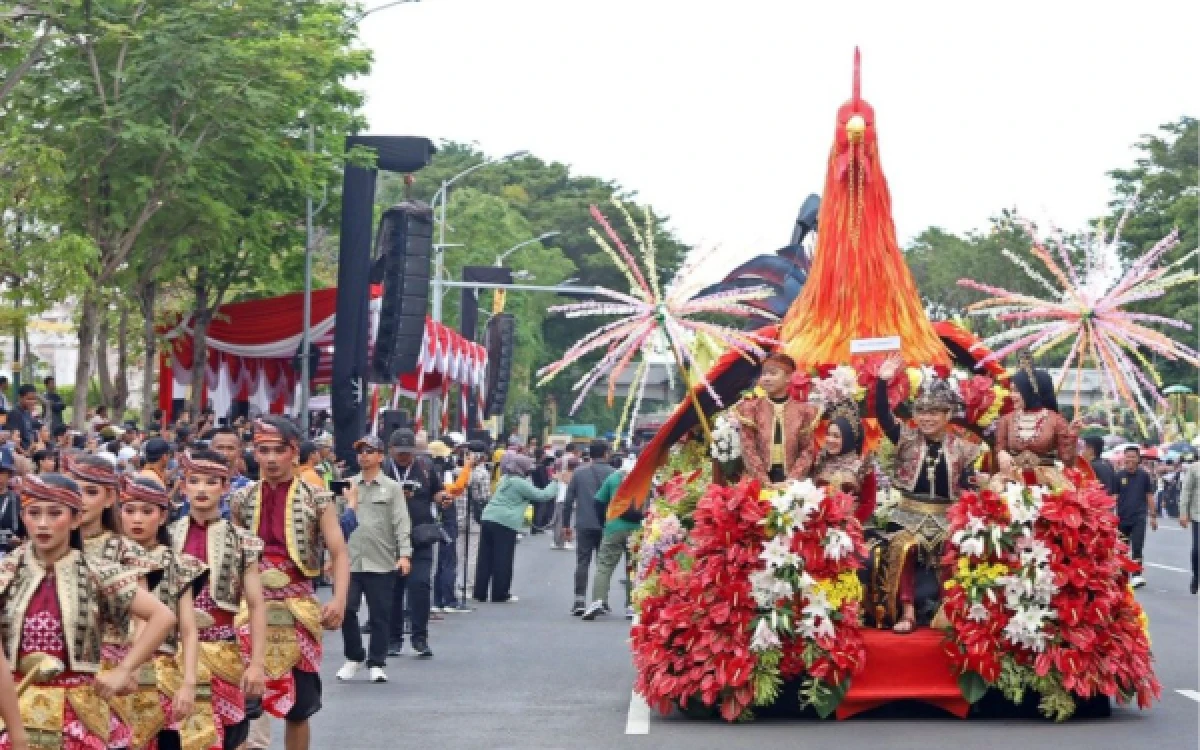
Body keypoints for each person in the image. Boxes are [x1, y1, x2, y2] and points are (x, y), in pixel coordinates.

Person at [0, 473, 176, 750]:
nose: (43, 523)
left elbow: (162, 616)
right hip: (14, 703)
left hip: (79, 710)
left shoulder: (96, 572)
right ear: (23, 517)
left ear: (75, 519)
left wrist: (126, 669)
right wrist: (16, 732)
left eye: (55, 513)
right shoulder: (6, 572)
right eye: (34, 513)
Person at [229, 417, 349, 750]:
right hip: (249, 609)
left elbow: (339, 552)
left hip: (299, 610)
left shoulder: (318, 498)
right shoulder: (241, 499)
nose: (270, 459)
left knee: (299, 708)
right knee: (245, 705)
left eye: (278, 450)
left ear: (293, 453)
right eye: (262, 450)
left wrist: (339, 600)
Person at [874, 352, 983, 633]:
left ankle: (949, 609)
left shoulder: (964, 448)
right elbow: (884, 417)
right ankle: (907, 611)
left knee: (956, 546)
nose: (926, 418)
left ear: (948, 415)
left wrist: (981, 484)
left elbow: (968, 485)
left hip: (947, 515)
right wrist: (882, 384)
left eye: (934, 412)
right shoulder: (906, 439)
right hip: (909, 512)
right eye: (921, 412)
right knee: (903, 546)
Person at [169, 449, 266, 750]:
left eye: (211, 482)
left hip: (223, 652)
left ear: (225, 487)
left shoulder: (242, 540)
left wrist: (257, 664)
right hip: (172, 655)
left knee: (230, 738)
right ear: (182, 487)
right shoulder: (167, 537)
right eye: (193, 481)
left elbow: (256, 604)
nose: (200, 489)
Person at [115, 475, 208, 750]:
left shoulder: (179, 565)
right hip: (113, 675)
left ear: (163, 515)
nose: (137, 519)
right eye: (129, 511)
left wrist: (189, 682)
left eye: (147, 511)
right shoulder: (101, 562)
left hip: (162, 678)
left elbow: (188, 630)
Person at [337, 435, 411, 684]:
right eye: (360, 451)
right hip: (350, 559)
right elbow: (333, 523)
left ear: (381, 456)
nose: (364, 456)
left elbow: (401, 522)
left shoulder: (392, 488)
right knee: (346, 609)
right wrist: (329, 557)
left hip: (381, 559)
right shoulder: (348, 485)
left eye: (369, 451)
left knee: (380, 614)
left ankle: (377, 662)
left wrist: (404, 554)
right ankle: (354, 655)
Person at [381, 428, 442, 659]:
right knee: (393, 590)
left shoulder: (426, 469)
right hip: (390, 539)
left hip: (420, 537)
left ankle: (420, 638)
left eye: (409, 452)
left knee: (420, 586)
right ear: (391, 450)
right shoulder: (383, 470)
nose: (405, 457)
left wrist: (442, 498)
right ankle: (393, 639)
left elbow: (436, 492)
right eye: (400, 452)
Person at [474, 452, 558, 603]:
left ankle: (479, 592)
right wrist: (555, 483)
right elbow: (542, 495)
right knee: (503, 558)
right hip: (505, 521)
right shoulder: (520, 483)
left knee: (485, 558)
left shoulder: (504, 479)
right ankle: (500, 593)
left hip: (488, 517)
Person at [992, 353, 1082, 489]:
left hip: (1047, 483)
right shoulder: (1007, 420)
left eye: (1017, 391)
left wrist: (1072, 435)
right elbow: (999, 447)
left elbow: (1067, 461)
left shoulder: (1056, 420)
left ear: (1031, 391)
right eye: (1011, 391)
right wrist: (1001, 453)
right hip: (1012, 483)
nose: (1012, 396)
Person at [733, 352, 819, 486]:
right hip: (758, 481)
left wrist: (791, 481)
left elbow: (806, 450)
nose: (766, 378)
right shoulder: (750, 409)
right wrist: (765, 482)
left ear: (788, 377)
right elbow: (748, 449)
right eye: (764, 374)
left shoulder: (803, 411)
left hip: (792, 481)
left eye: (772, 373)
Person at [580, 463, 640, 621]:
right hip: (638, 530)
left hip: (613, 527)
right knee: (634, 567)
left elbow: (598, 501)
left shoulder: (613, 478)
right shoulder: (645, 478)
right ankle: (632, 606)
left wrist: (604, 521)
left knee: (604, 566)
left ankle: (598, 601)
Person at [563, 441, 615, 615]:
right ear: (606, 454)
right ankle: (601, 600)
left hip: (584, 523)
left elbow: (568, 500)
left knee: (582, 562)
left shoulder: (578, 473)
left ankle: (579, 599)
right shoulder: (614, 474)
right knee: (603, 565)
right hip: (606, 524)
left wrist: (565, 525)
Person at [812, 399, 876, 521]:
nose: (830, 440)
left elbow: (868, 504)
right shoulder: (820, 460)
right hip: (819, 524)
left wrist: (849, 523)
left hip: (848, 528)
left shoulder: (862, 466)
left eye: (836, 436)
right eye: (829, 434)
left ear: (848, 439)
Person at [1115, 445, 1156, 589]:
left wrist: (1153, 516)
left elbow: (1149, 495)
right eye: (1128, 456)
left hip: (1139, 517)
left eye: (1133, 457)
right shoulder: (1119, 476)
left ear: (1138, 459)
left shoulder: (1144, 476)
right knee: (1122, 548)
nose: (1130, 459)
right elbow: (1115, 497)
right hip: (1122, 518)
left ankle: (1137, 575)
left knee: (1137, 546)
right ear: (1124, 458)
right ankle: (1122, 575)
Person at [1179, 454, 1200, 594]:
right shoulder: (1194, 468)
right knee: (1198, 549)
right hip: (1198, 514)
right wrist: (1183, 513)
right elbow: (1186, 491)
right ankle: (1197, 575)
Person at [0, 452, 24, 555]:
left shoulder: (18, 500)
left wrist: (20, 542)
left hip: (9, 557)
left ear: (9, 474)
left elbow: (25, 535)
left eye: (1, 472)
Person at [5, 385, 39, 452]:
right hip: (22, 454)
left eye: (34, 399)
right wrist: (26, 453)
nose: (32, 402)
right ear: (20, 398)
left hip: (32, 450)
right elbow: (13, 439)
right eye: (29, 399)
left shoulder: (27, 412)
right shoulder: (15, 413)